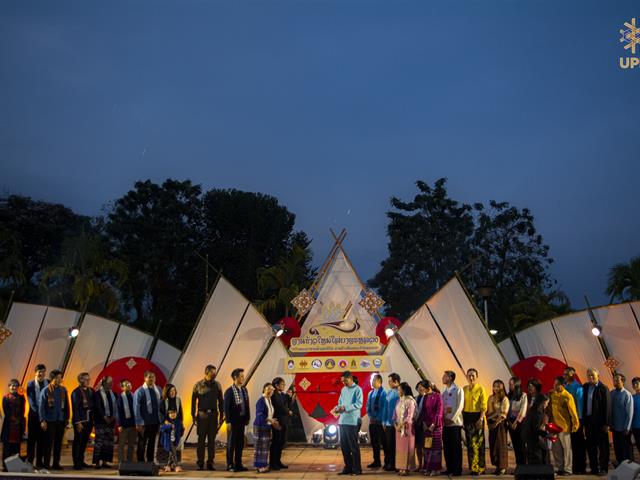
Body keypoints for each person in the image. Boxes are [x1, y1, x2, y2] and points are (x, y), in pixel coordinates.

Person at [191, 364, 224, 471]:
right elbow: (193, 401)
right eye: (213, 372)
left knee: (211, 440)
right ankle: (200, 463)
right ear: (207, 372)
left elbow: (221, 401)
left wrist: (222, 415)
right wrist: (193, 415)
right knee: (201, 440)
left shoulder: (217, 385)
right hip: (202, 416)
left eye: (215, 372)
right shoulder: (198, 385)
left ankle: (210, 462)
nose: (215, 374)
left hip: (213, 415)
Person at [38, 369, 69, 470]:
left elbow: (67, 406)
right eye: (58, 378)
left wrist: (66, 419)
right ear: (52, 379)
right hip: (49, 420)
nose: (60, 380)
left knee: (58, 444)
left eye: (60, 378)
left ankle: (56, 463)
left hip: (60, 420)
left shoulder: (63, 390)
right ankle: (46, 464)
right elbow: (41, 407)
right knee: (48, 444)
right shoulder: (45, 390)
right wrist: (42, 420)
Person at [333, 370, 363, 476]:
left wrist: (345, 408)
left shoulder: (358, 389)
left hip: (352, 421)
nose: (343, 383)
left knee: (353, 447)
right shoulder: (343, 389)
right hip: (342, 421)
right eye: (342, 381)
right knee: (344, 446)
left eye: (345, 381)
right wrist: (338, 408)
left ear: (350, 378)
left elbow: (359, 404)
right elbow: (340, 402)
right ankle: (348, 467)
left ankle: (357, 469)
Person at [548, 376, 579, 475]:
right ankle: (560, 467)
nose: (555, 386)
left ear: (563, 385)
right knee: (556, 449)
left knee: (567, 449)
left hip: (564, 427)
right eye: (554, 384)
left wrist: (575, 424)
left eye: (557, 384)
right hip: (553, 426)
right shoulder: (552, 394)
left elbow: (573, 412)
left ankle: (568, 469)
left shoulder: (567, 396)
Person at [582, 367, 610, 475]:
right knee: (590, 446)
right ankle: (594, 468)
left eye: (592, 375)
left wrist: (606, 423)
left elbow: (607, 407)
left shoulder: (603, 388)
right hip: (588, 422)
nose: (590, 377)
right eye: (588, 375)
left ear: (598, 376)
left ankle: (603, 468)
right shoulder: (585, 387)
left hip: (600, 423)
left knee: (603, 447)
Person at [223, 368, 250, 472]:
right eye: (241, 376)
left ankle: (238, 464)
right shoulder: (229, 391)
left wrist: (247, 417)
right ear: (235, 377)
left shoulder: (244, 390)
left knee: (240, 443)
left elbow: (246, 404)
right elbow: (226, 408)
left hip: (242, 420)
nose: (243, 378)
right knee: (231, 443)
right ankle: (230, 464)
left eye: (243, 376)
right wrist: (228, 421)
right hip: (233, 421)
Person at [133, 371, 163, 463]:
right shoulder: (140, 391)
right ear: (145, 378)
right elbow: (136, 408)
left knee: (152, 444)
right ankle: (141, 463)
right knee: (142, 443)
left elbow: (160, 405)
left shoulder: (157, 390)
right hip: (144, 423)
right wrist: (138, 423)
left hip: (154, 422)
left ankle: (150, 463)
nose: (151, 379)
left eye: (153, 377)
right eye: (149, 377)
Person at [462, 368, 487, 475]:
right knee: (470, 444)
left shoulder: (481, 389)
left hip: (477, 417)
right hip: (467, 417)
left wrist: (481, 419)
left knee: (479, 443)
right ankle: (473, 467)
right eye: (469, 375)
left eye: (473, 375)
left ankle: (480, 468)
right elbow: (462, 405)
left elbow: (484, 406)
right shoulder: (464, 389)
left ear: (477, 377)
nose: (471, 377)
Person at [564, 366, 586, 474]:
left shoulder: (578, 388)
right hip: (567, 420)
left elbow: (580, 405)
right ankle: (573, 466)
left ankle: (581, 467)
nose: (564, 376)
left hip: (577, 420)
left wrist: (579, 421)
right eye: (564, 374)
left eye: (566, 374)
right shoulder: (565, 386)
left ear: (572, 375)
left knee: (579, 444)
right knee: (571, 444)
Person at [441, 370, 464, 477]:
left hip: (455, 423)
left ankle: (457, 470)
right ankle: (449, 468)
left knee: (456, 447)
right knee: (447, 447)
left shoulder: (458, 389)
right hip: (445, 423)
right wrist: (444, 419)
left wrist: (452, 419)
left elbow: (460, 406)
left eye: (445, 376)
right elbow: (442, 406)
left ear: (450, 378)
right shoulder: (443, 390)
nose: (443, 378)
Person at [71, 372, 94, 470]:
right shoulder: (76, 392)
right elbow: (75, 408)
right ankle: (76, 463)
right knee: (78, 442)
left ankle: (81, 460)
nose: (88, 381)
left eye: (89, 379)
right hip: (80, 420)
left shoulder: (90, 390)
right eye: (86, 379)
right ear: (80, 380)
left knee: (84, 442)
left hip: (89, 420)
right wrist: (78, 422)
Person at [26, 364, 48, 469]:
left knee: (42, 441)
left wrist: (44, 417)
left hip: (45, 418)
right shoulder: (30, 384)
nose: (41, 374)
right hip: (34, 417)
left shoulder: (48, 382)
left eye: (43, 371)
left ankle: (39, 462)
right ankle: (30, 461)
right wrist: (40, 415)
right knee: (31, 440)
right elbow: (31, 402)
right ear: (35, 373)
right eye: (39, 372)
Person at [93, 375, 118, 468]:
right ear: (104, 383)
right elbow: (98, 407)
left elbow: (115, 408)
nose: (111, 384)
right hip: (100, 421)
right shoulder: (97, 394)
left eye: (112, 382)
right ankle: (97, 462)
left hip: (111, 422)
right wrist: (104, 417)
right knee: (99, 442)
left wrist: (112, 417)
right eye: (109, 382)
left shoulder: (114, 394)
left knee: (108, 442)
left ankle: (105, 462)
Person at [1, 379, 26, 472]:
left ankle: (15, 466)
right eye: (12, 385)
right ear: (9, 387)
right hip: (8, 426)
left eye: (15, 386)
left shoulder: (22, 398)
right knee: (7, 448)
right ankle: (5, 467)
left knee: (16, 447)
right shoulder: (5, 398)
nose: (14, 387)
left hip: (18, 427)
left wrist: (20, 421)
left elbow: (23, 411)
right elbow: (6, 412)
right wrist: (15, 420)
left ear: (18, 387)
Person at [253, 383, 278, 473]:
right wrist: (270, 420)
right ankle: (259, 466)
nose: (270, 391)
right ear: (264, 389)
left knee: (265, 448)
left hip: (267, 426)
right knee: (259, 447)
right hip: (260, 426)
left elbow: (268, 413)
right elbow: (260, 414)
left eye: (272, 389)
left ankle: (263, 465)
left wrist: (272, 420)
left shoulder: (269, 399)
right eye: (268, 389)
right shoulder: (261, 401)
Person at [486, 379, 509, 475]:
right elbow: (488, 412)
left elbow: (504, 413)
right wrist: (490, 422)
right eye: (494, 386)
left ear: (502, 387)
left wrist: (497, 421)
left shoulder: (504, 399)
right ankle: (497, 466)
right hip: (492, 424)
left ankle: (503, 467)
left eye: (498, 386)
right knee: (493, 445)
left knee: (501, 445)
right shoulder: (490, 397)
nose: (495, 388)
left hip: (501, 425)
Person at [421, 379, 443, 476]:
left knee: (435, 448)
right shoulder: (425, 396)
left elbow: (439, 411)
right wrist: (424, 423)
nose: (422, 390)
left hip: (436, 426)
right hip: (427, 425)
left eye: (423, 388)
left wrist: (433, 425)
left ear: (429, 388)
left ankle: (436, 468)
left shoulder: (438, 396)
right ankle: (428, 467)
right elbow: (424, 411)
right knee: (427, 447)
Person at [610, 373, 633, 465]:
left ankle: (628, 467)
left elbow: (630, 413)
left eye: (617, 380)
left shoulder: (627, 394)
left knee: (626, 450)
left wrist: (627, 427)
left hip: (624, 429)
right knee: (617, 448)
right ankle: (619, 465)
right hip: (615, 427)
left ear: (622, 381)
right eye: (614, 380)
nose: (615, 382)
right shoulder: (612, 393)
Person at [270, 377, 292, 471]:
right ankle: (273, 463)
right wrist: (288, 412)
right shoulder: (274, 395)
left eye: (284, 384)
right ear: (276, 385)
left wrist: (289, 397)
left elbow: (287, 405)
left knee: (281, 442)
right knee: (276, 442)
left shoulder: (283, 394)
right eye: (282, 384)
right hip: (277, 421)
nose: (284, 386)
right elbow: (280, 407)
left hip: (284, 421)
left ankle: (278, 461)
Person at [522, 391, 550, 465]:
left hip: (529, 439)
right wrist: (547, 434)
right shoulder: (538, 413)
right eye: (546, 403)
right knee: (539, 459)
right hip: (534, 441)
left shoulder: (532, 410)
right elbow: (536, 429)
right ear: (542, 402)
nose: (547, 405)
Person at [366, 374, 386, 470]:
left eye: (373, 380)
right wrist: (370, 415)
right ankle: (376, 461)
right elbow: (367, 406)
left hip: (380, 422)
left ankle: (387, 461)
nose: (371, 382)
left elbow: (384, 408)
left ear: (379, 381)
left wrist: (378, 417)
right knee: (374, 443)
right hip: (372, 422)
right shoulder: (370, 393)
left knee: (384, 443)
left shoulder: (383, 393)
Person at [506, 376, 527, 467]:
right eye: (509, 384)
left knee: (521, 444)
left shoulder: (523, 395)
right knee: (515, 445)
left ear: (516, 385)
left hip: (519, 422)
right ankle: (518, 465)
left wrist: (516, 422)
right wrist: (509, 421)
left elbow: (523, 410)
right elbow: (506, 409)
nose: (510, 386)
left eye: (511, 384)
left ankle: (523, 466)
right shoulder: (508, 395)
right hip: (510, 422)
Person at [382, 372, 401, 472]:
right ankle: (390, 463)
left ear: (396, 381)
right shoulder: (389, 392)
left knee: (397, 445)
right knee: (389, 445)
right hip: (389, 424)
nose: (389, 383)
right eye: (388, 381)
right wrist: (384, 421)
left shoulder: (401, 392)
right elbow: (385, 408)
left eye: (390, 381)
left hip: (397, 423)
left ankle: (397, 464)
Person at [116, 378, 137, 465]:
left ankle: (129, 461)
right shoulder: (120, 398)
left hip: (133, 424)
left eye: (129, 384)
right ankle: (121, 462)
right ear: (122, 388)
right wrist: (119, 425)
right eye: (126, 385)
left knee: (131, 445)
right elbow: (118, 412)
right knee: (121, 445)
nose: (128, 386)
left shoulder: (134, 396)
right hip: (124, 425)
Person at [157, 408, 184, 472]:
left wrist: (181, 432)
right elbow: (162, 429)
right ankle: (176, 466)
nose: (172, 415)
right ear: (168, 414)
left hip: (175, 440)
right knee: (173, 452)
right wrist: (169, 426)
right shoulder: (166, 422)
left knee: (171, 453)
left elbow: (181, 429)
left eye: (174, 413)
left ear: (176, 414)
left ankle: (168, 466)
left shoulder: (178, 422)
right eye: (170, 413)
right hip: (168, 440)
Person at [414, 381, 427, 473]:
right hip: (416, 425)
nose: (420, 388)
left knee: (425, 446)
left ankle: (426, 464)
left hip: (425, 424)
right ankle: (420, 465)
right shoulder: (415, 398)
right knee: (418, 446)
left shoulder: (428, 397)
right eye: (418, 387)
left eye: (422, 386)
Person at [631, 377, 640, 459]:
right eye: (633, 384)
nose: (635, 385)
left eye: (637, 383)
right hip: (635, 426)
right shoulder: (632, 397)